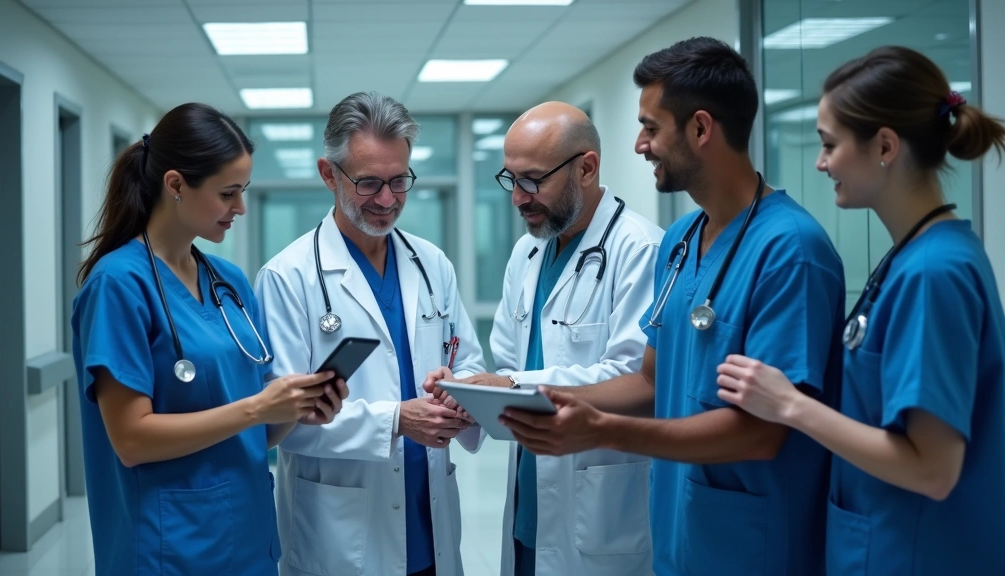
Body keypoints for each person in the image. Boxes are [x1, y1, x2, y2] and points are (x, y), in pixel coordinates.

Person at [497, 37, 846, 576]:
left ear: (701, 129)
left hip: (753, 543)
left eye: (651, 128)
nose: (639, 145)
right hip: (677, 531)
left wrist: (602, 429)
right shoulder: (681, 242)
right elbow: (651, 379)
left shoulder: (791, 250)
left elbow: (766, 429)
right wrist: (534, 397)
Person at [716, 45, 1005, 576]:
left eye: (829, 144)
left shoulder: (934, 272)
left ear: (885, 146)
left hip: (917, 554)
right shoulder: (914, 257)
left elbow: (933, 469)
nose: (821, 162)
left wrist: (789, 406)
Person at [70, 102, 348, 576]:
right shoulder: (118, 285)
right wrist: (259, 408)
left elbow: (253, 432)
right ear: (175, 184)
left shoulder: (230, 283)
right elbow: (132, 439)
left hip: (248, 539)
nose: (240, 207)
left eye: (243, 191)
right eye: (227, 193)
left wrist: (299, 409)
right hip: (168, 547)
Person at [254, 91, 485, 576]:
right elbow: (283, 424)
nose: (387, 200)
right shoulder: (288, 277)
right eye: (369, 183)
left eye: (399, 181)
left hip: (432, 523)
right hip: (342, 542)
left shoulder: (432, 264)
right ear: (328, 174)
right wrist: (395, 420)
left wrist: (462, 392)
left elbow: (469, 362)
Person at [428, 102, 660, 575]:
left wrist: (510, 388)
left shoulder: (640, 250)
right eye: (510, 179)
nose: (517, 197)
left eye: (533, 180)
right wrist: (470, 395)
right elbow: (512, 367)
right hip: (530, 503)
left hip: (600, 511)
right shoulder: (528, 252)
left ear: (587, 168)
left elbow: (635, 378)